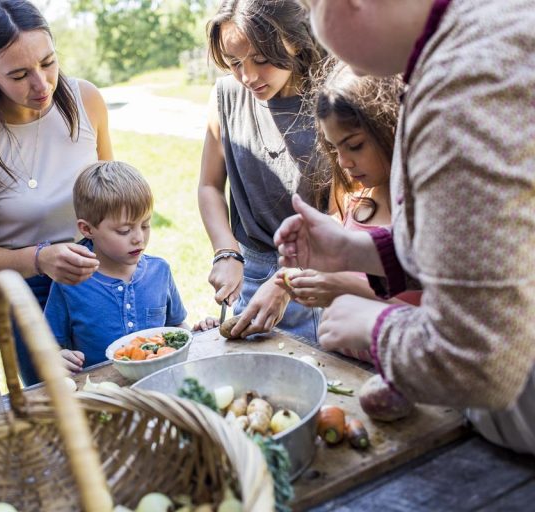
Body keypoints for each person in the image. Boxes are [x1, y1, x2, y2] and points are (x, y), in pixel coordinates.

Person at [277, 0, 535, 454]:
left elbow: (481, 362)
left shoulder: (464, 84)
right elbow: (497, 249)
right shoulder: (487, 31)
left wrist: (377, 324)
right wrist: (359, 251)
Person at [0, 0, 112, 385]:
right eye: (19, 74)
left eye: (48, 63)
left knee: (118, 391)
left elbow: (111, 200)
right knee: (54, 416)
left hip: (95, 274)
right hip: (23, 295)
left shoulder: (87, 102)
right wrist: (40, 259)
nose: (42, 84)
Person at [198, 0, 328, 341]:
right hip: (252, 270)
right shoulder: (226, 95)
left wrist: (288, 279)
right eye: (235, 62)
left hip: (319, 273)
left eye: (261, 59)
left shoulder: (331, 100)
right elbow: (209, 186)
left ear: (295, 39)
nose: (248, 76)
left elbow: (352, 210)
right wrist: (226, 251)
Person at [280, 62, 416, 361]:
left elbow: (446, 317)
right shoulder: (358, 202)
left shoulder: (422, 217)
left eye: (354, 145)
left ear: (389, 126)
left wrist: (345, 287)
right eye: (334, 148)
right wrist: (287, 281)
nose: (343, 162)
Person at [45, 161, 189, 372]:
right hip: (103, 394)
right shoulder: (70, 282)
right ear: (87, 229)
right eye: (124, 231)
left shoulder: (160, 272)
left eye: (146, 225)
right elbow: (47, 345)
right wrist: (56, 357)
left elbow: (177, 326)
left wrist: (196, 333)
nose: (139, 238)